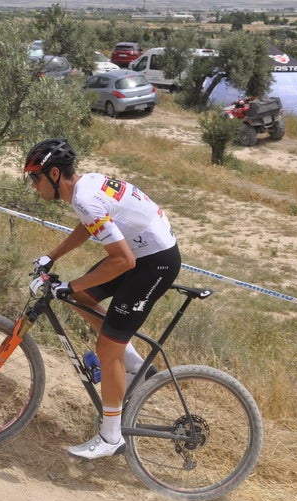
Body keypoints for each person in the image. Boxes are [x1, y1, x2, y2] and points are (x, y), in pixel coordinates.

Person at [24, 138, 181, 460]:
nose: (33, 186)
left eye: (34, 178)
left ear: (53, 174)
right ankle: (136, 366)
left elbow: (122, 261)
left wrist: (68, 283)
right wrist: (51, 257)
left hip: (154, 263)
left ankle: (111, 438)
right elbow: (89, 226)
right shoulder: (84, 186)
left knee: (107, 348)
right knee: (81, 294)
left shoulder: (85, 198)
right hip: (142, 254)